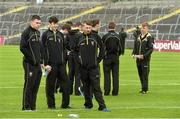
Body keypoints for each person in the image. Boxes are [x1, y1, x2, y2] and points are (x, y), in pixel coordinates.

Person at [72, 20, 110, 112]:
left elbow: (102, 48)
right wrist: (79, 62)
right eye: (86, 27)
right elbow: (74, 51)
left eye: (90, 28)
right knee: (86, 87)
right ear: (82, 28)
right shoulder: (78, 37)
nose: (88, 29)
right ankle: (88, 104)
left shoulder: (95, 36)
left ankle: (102, 106)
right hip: (83, 68)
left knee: (96, 87)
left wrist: (98, 60)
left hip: (94, 67)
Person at [41, 16, 70, 109]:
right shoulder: (45, 35)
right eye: (54, 23)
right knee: (50, 85)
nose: (55, 25)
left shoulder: (61, 35)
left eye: (57, 23)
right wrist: (45, 64)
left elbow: (64, 48)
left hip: (61, 64)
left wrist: (64, 59)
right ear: (50, 24)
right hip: (51, 65)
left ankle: (65, 105)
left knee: (66, 84)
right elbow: (42, 50)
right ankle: (51, 105)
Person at [20, 15, 42, 111]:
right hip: (29, 63)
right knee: (29, 85)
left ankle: (33, 107)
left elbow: (39, 49)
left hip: (37, 64)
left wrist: (40, 61)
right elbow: (22, 47)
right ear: (31, 22)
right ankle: (26, 107)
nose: (38, 25)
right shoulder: (26, 32)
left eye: (40, 23)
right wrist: (32, 59)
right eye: (37, 23)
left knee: (35, 86)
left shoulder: (38, 32)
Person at [102, 22, 124, 96]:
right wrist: (118, 55)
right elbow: (121, 48)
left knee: (107, 75)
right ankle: (115, 92)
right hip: (115, 57)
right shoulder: (118, 36)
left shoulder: (105, 36)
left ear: (108, 27)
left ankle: (107, 91)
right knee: (115, 75)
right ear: (115, 27)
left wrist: (104, 56)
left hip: (107, 57)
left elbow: (102, 48)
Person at [132, 22, 154, 94]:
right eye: (141, 28)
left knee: (145, 74)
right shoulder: (138, 36)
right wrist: (133, 53)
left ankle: (145, 89)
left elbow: (151, 49)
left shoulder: (149, 37)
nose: (142, 29)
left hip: (145, 60)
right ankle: (142, 88)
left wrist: (144, 56)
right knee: (140, 74)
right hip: (138, 59)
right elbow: (135, 46)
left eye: (144, 28)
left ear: (147, 28)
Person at [68, 22, 82, 96]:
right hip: (77, 54)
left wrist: (70, 49)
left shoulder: (69, 34)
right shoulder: (79, 34)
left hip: (71, 54)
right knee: (78, 74)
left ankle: (69, 91)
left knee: (70, 73)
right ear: (79, 26)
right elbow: (80, 45)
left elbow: (66, 43)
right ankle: (77, 91)